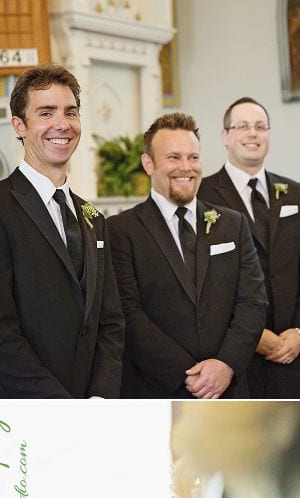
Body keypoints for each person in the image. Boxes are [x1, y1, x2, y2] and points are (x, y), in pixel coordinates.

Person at [0, 64, 124, 398]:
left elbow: (110, 322)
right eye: (46, 113)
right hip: (20, 406)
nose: (62, 124)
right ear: (19, 125)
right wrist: (60, 407)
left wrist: (100, 397)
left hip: (90, 406)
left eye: (70, 112)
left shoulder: (93, 218)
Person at [108, 112, 267, 398]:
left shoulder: (233, 223)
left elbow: (252, 302)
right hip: (156, 389)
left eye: (193, 157)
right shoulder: (120, 230)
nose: (186, 167)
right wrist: (189, 375)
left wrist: (225, 365)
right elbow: (127, 314)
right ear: (148, 164)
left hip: (227, 387)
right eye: (174, 158)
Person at [198, 96, 300, 398]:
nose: (252, 133)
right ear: (224, 136)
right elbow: (204, 283)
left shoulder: (293, 192)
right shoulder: (203, 195)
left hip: (293, 350)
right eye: (241, 126)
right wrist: (252, 335)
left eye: (260, 126)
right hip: (235, 356)